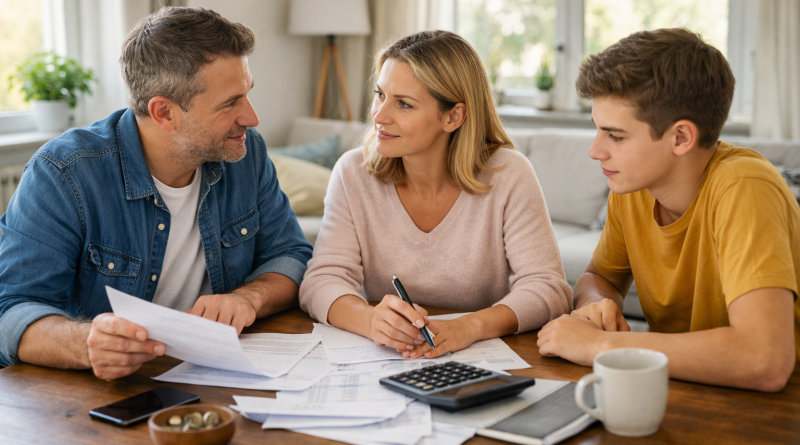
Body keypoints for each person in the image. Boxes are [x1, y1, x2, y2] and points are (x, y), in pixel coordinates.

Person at [0, 7, 313, 380]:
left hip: (215, 374)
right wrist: (87, 343)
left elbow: (290, 255)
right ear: (163, 112)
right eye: (230, 102)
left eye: (246, 94)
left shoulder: (247, 153)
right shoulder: (63, 174)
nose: (252, 117)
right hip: (99, 393)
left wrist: (249, 297)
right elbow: (11, 310)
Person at [537, 28, 799, 392]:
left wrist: (601, 345)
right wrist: (597, 305)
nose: (595, 151)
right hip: (690, 388)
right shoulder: (634, 187)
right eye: (597, 130)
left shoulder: (744, 186)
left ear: (680, 138)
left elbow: (764, 360)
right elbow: (603, 278)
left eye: (615, 135)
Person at [299, 31, 571, 359]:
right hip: (389, 359)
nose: (379, 116)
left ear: (453, 116)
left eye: (403, 104)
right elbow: (321, 280)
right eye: (380, 94)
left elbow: (549, 289)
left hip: (479, 356)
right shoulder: (352, 173)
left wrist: (471, 327)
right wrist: (371, 320)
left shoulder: (509, 174)